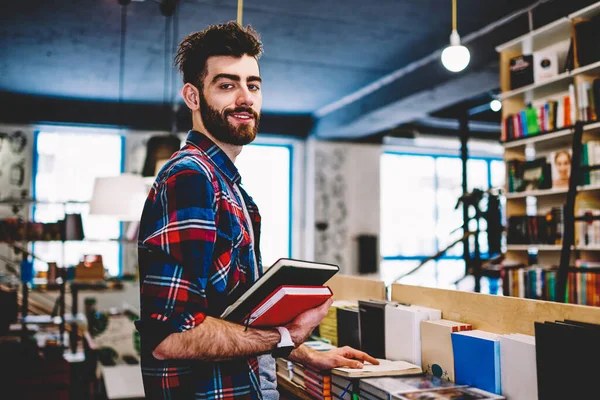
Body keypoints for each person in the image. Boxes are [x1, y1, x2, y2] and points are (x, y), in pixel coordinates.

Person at [135, 21, 377, 400]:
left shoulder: (233, 190)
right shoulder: (190, 177)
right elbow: (170, 336)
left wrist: (307, 354)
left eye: (253, 85)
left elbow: (237, 320)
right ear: (193, 96)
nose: (245, 98)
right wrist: (288, 334)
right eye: (227, 85)